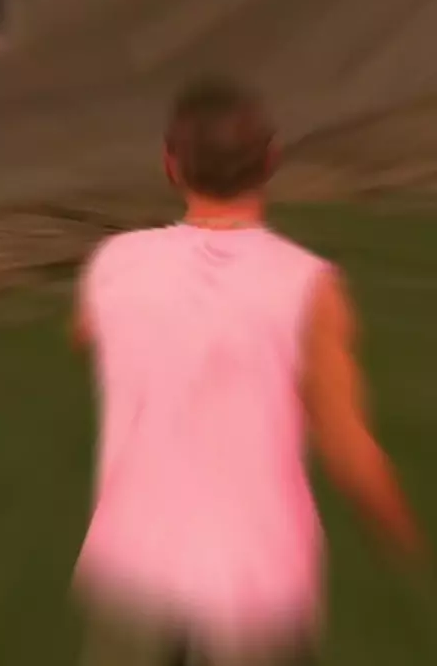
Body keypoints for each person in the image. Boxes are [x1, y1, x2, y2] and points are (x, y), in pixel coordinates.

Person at [72, 78, 424, 665]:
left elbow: (86, 333)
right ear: (270, 160)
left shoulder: (117, 262)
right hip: (254, 585)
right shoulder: (309, 286)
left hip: (133, 570)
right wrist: (402, 531)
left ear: (171, 165)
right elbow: (347, 448)